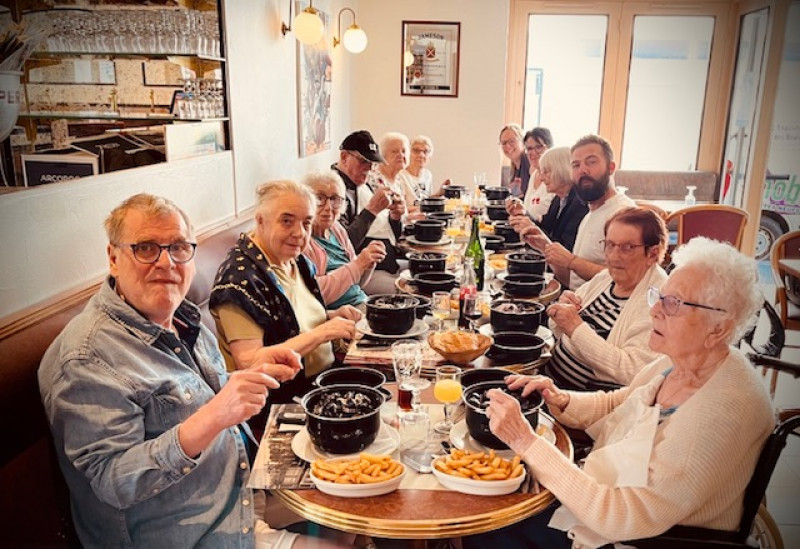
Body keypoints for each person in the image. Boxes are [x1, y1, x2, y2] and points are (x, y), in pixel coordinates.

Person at [38, 193, 353, 548]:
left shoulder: (184, 319)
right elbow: (113, 481)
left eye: (177, 248)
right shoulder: (86, 358)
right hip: (191, 532)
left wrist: (252, 374)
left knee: (354, 500)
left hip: (239, 488)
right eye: (145, 249)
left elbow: (192, 401)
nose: (165, 263)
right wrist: (218, 414)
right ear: (113, 258)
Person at [464, 237, 772, 549]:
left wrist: (525, 441)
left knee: (486, 525)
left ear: (718, 328)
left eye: (674, 303)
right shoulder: (682, 359)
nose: (654, 311)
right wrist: (561, 398)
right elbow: (623, 401)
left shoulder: (721, 412)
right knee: (491, 499)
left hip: (641, 538)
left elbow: (620, 515)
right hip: (607, 497)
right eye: (658, 297)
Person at [210, 180, 361, 405]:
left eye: (307, 223)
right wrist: (323, 333)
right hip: (282, 400)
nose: (299, 233)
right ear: (260, 221)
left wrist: (332, 317)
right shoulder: (239, 280)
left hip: (323, 380)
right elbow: (251, 363)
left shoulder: (296, 261)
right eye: (287, 221)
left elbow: (291, 321)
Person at [541, 207, 668, 391]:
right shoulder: (607, 278)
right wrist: (562, 310)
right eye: (610, 245)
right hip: (549, 379)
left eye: (628, 248)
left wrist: (575, 327)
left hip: (581, 407)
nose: (614, 256)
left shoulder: (657, 302)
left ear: (652, 254)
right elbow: (559, 329)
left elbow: (631, 370)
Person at [547, 134, 635, 290]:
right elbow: (573, 280)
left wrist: (571, 261)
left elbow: (628, 279)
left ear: (611, 168)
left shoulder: (623, 214)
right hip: (574, 301)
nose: (583, 170)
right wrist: (543, 246)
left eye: (591, 162)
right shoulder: (590, 214)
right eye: (576, 165)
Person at [332, 130, 407, 294]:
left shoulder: (361, 183)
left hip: (389, 260)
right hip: (365, 272)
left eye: (373, 163)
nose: (369, 168)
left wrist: (395, 217)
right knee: (413, 294)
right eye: (363, 161)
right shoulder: (334, 190)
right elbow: (342, 246)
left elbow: (389, 232)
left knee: (431, 274)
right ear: (344, 157)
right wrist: (372, 210)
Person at [303, 170, 386, 311]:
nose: (328, 208)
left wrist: (368, 262)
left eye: (335, 199)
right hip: (338, 314)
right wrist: (359, 264)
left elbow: (357, 284)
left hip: (362, 302)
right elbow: (315, 295)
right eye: (319, 198)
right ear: (306, 201)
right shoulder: (303, 240)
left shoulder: (337, 229)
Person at [509, 146, 588, 252]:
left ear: (562, 170)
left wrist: (531, 226)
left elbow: (565, 248)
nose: (541, 178)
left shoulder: (580, 204)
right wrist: (523, 214)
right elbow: (545, 228)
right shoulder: (558, 198)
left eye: (546, 172)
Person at [507, 127, 555, 222]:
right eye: (529, 149)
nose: (533, 152)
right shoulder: (534, 175)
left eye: (538, 147)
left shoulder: (555, 178)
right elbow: (528, 211)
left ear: (550, 147)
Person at [499, 123, 531, 198]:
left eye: (511, 141)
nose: (507, 146)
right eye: (503, 143)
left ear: (523, 142)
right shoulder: (514, 168)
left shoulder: (529, 161)